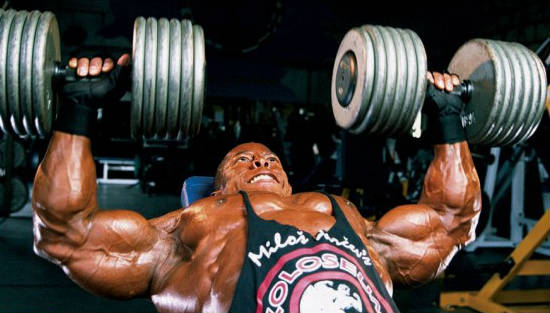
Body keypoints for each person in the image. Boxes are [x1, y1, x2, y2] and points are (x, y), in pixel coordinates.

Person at [32, 54, 481, 313]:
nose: (260, 162)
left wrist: (448, 118)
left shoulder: (348, 217)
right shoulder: (191, 225)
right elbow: (66, 235)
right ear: (219, 186)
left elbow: (450, 225)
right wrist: (78, 111)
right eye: (242, 160)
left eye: (269, 159)